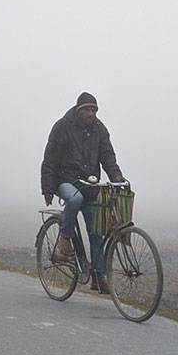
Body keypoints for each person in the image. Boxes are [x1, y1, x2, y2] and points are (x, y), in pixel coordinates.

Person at [41, 92, 125, 294]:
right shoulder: (62, 126)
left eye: (94, 110)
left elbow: (107, 154)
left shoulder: (99, 129)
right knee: (75, 199)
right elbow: (50, 157)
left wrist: (116, 175)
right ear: (79, 110)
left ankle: (99, 276)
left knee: (96, 230)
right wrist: (48, 187)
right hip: (66, 180)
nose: (91, 113)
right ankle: (65, 237)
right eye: (87, 109)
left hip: (90, 184)